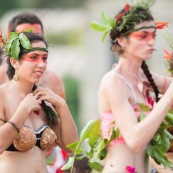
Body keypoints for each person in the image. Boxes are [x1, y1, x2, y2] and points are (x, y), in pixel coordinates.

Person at [90, 2, 173, 173]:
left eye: (153, 35)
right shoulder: (114, 82)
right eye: (143, 36)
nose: (151, 42)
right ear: (122, 40)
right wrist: (167, 99)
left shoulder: (144, 78)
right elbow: (134, 140)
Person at [0, 12, 69, 173]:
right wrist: (23, 111)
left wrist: (62, 106)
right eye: (25, 35)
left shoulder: (53, 81)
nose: (32, 38)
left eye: (44, 58)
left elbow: (69, 142)